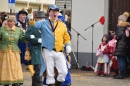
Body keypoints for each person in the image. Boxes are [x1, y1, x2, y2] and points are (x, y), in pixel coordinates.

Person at [29, 4, 71, 86]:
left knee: (64, 72)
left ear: (58, 13)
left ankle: (57, 84)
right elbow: (35, 25)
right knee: (50, 72)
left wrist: (68, 45)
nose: (54, 13)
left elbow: (67, 37)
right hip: (47, 50)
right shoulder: (43, 23)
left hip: (59, 51)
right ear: (49, 12)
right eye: (52, 11)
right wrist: (31, 20)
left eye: (56, 11)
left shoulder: (62, 25)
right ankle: (50, 84)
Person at [0, 15, 24, 86]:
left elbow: (23, 39)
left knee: (15, 67)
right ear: (6, 22)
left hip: (14, 52)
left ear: (14, 22)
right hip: (4, 52)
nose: (10, 23)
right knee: (6, 68)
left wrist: (28, 34)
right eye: (9, 21)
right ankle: (6, 83)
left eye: (12, 21)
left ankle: (15, 81)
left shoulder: (18, 30)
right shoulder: (1, 29)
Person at [25, 11, 46, 86]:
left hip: (44, 50)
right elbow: (27, 36)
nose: (41, 20)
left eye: (43, 18)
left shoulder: (46, 27)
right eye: (40, 18)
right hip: (36, 50)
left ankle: (36, 84)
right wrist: (37, 40)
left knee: (41, 70)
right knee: (38, 69)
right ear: (36, 19)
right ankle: (38, 84)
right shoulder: (32, 26)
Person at [113, 12, 130, 79]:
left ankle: (120, 74)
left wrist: (115, 35)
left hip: (120, 46)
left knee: (120, 60)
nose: (117, 20)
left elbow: (118, 36)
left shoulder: (120, 27)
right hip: (124, 45)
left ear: (121, 20)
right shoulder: (126, 27)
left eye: (118, 19)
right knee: (122, 60)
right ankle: (123, 73)